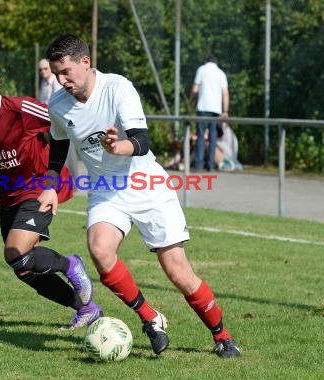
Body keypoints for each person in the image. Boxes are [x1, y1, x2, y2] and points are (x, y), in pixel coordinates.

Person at [38, 34, 240, 358]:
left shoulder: (118, 88)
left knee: (177, 271)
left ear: (85, 62)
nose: (61, 80)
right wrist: (50, 183)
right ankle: (150, 319)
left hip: (145, 182)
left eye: (66, 72)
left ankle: (223, 336)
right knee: (100, 250)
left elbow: (142, 140)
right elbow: (59, 145)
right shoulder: (58, 104)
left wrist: (120, 146)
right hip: (105, 189)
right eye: (56, 73)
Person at [0, 53, 103, 329]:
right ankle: (86, 307)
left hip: (41, 188)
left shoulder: (22, 109)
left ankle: (70, 264)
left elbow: (62, 119)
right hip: (9, 195)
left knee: (15, 251)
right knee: (23, 268)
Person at [189, 54, 229, 171]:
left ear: (205, 61)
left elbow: (195, 89)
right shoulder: (221, 73)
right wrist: (225, 110)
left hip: (203, 107)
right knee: (213, 136)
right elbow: (225, 93)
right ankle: (211, 164)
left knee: (201, 135)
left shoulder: (201, 70)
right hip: (216, 109)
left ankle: (199, 164)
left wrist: (190, 100)